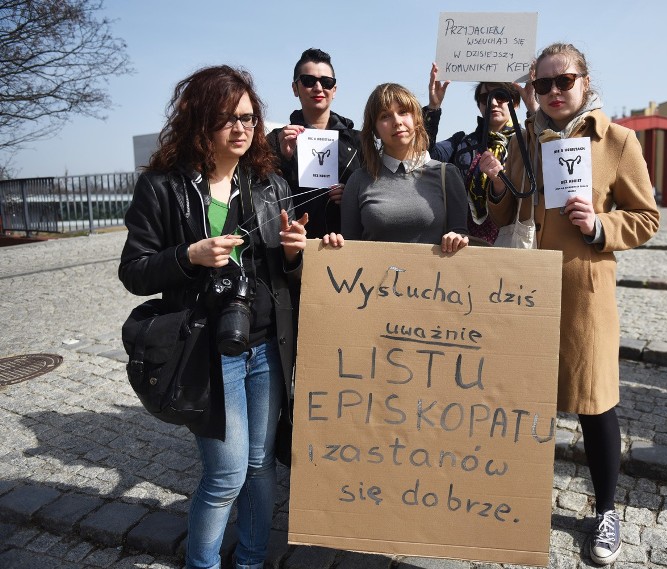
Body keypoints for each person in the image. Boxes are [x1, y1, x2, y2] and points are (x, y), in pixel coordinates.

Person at [118, 65, 307, 569]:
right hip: (205, 348)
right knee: (225, 475)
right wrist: (189, 255)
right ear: (199, 122)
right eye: (226, 119)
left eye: (247, 118)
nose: (240, 129)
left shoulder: (270, 184)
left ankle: (249, 561)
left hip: (265, 344)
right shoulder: (162, 188)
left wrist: (294, 254)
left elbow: (288, 277)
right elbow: (133, 271)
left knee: (261, 467)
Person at [479, 43, 660, 565]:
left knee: (595, 404)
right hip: (528, 291)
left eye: (565, 81)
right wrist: (495, 176)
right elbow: (506, 206)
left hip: (584, 293)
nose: (555, 92)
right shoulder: (526, 137)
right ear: (533, 90)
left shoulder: (619, 141)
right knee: (527, 403)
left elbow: (647, 218)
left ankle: (606, 510)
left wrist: (600, 224)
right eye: (544, 85)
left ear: (584, 81)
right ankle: (517, 500)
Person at [324, 82, 469, 252]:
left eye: (403, 112)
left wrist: (458, 239)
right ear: (375, 130)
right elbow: (350, 248)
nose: (397, 122)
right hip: (372, 278)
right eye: (385, 116)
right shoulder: (358, 180)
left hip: (435, 277)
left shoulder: (447, 175)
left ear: (416, 119)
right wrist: (335, 245)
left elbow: (461, 237)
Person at [422, 63, 537, 244]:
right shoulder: (461, 143)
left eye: (500, 96)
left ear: (515, 102)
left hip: (516, 238)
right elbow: (425, 155)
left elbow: (549, 150)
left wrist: (533, 107)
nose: (492, 102)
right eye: (485, 98)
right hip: (466, 240)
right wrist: (433, 108)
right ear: (479, 106)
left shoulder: (528, 142)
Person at [267, 48, 362, 238]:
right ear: (295, 88)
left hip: (345, 247)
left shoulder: (359, 141)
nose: (318, 88)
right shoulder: (276, 140)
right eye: (309, 81)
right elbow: (262, 195)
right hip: (293, 248)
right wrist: (282, 159)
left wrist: (351, 195)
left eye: (326, 82)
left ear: (334, 90)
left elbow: (377, 192)